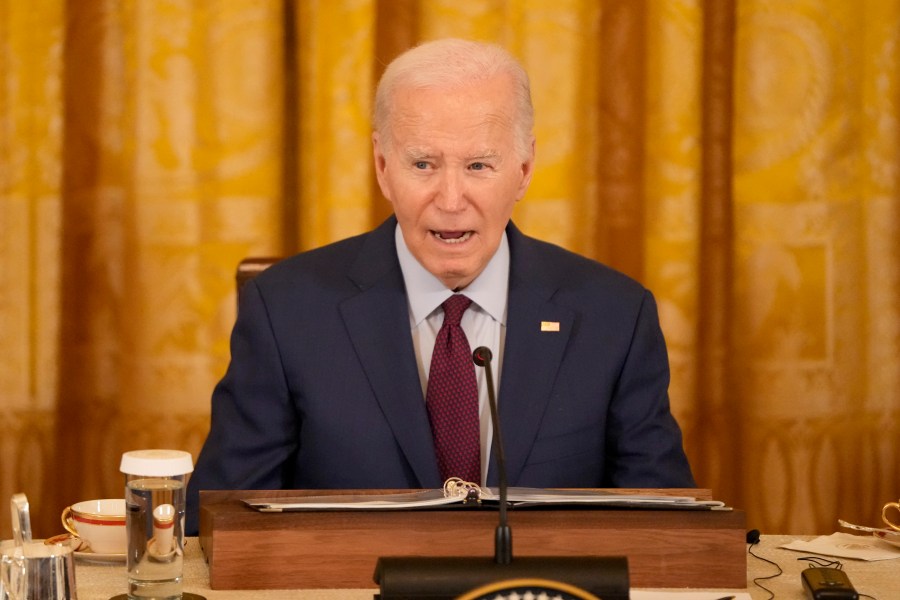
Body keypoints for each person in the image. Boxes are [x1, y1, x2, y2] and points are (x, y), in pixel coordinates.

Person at [185, 38, 694, 535]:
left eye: (478, 165)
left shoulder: (614, 316)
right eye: (423, 164)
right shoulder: (286, 310)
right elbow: (220, 523)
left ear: (524, 169)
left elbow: (667, 536)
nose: (451, 200)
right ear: (383, 167)